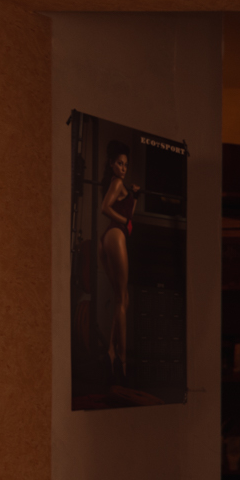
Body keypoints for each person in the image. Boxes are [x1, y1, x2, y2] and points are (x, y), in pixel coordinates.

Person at [98, 142, 134, 376]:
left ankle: (111, 350)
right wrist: (123, 221)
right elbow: (105, 208)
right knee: (122, 299)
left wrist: (135, 196)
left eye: (126, 165)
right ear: (112, 164)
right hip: (115, 235)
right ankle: (123, 360)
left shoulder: (118, 184)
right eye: (120, 163)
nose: (123, 168)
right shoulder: (117, 182)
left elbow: (129, 213)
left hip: (108, 239)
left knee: (123, 298)